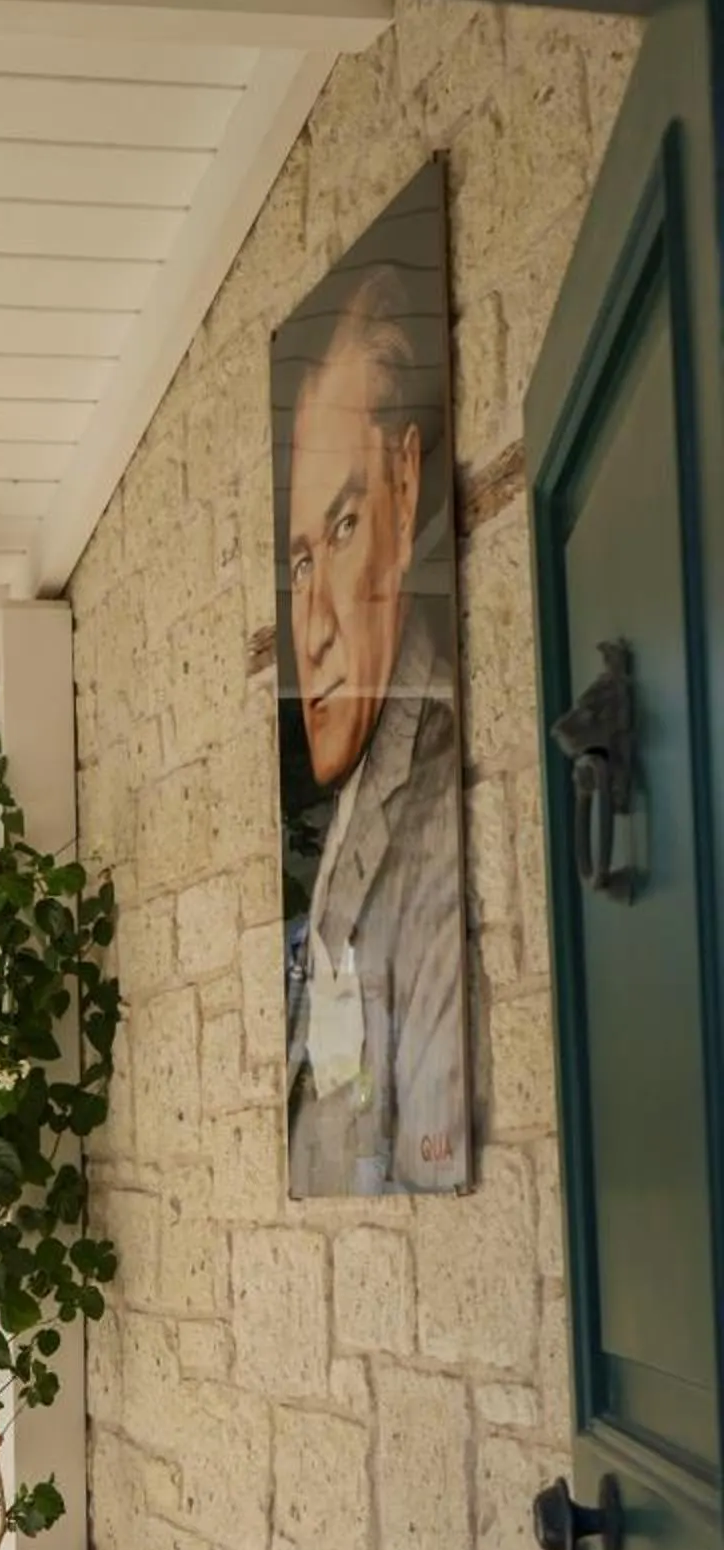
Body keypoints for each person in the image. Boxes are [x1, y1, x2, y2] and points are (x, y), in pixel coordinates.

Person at [280, 261, 467, 1196]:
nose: (310, 630)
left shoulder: (444, 805)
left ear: (405, 479)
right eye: (299, 563)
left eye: (344, 526)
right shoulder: (352, 808)